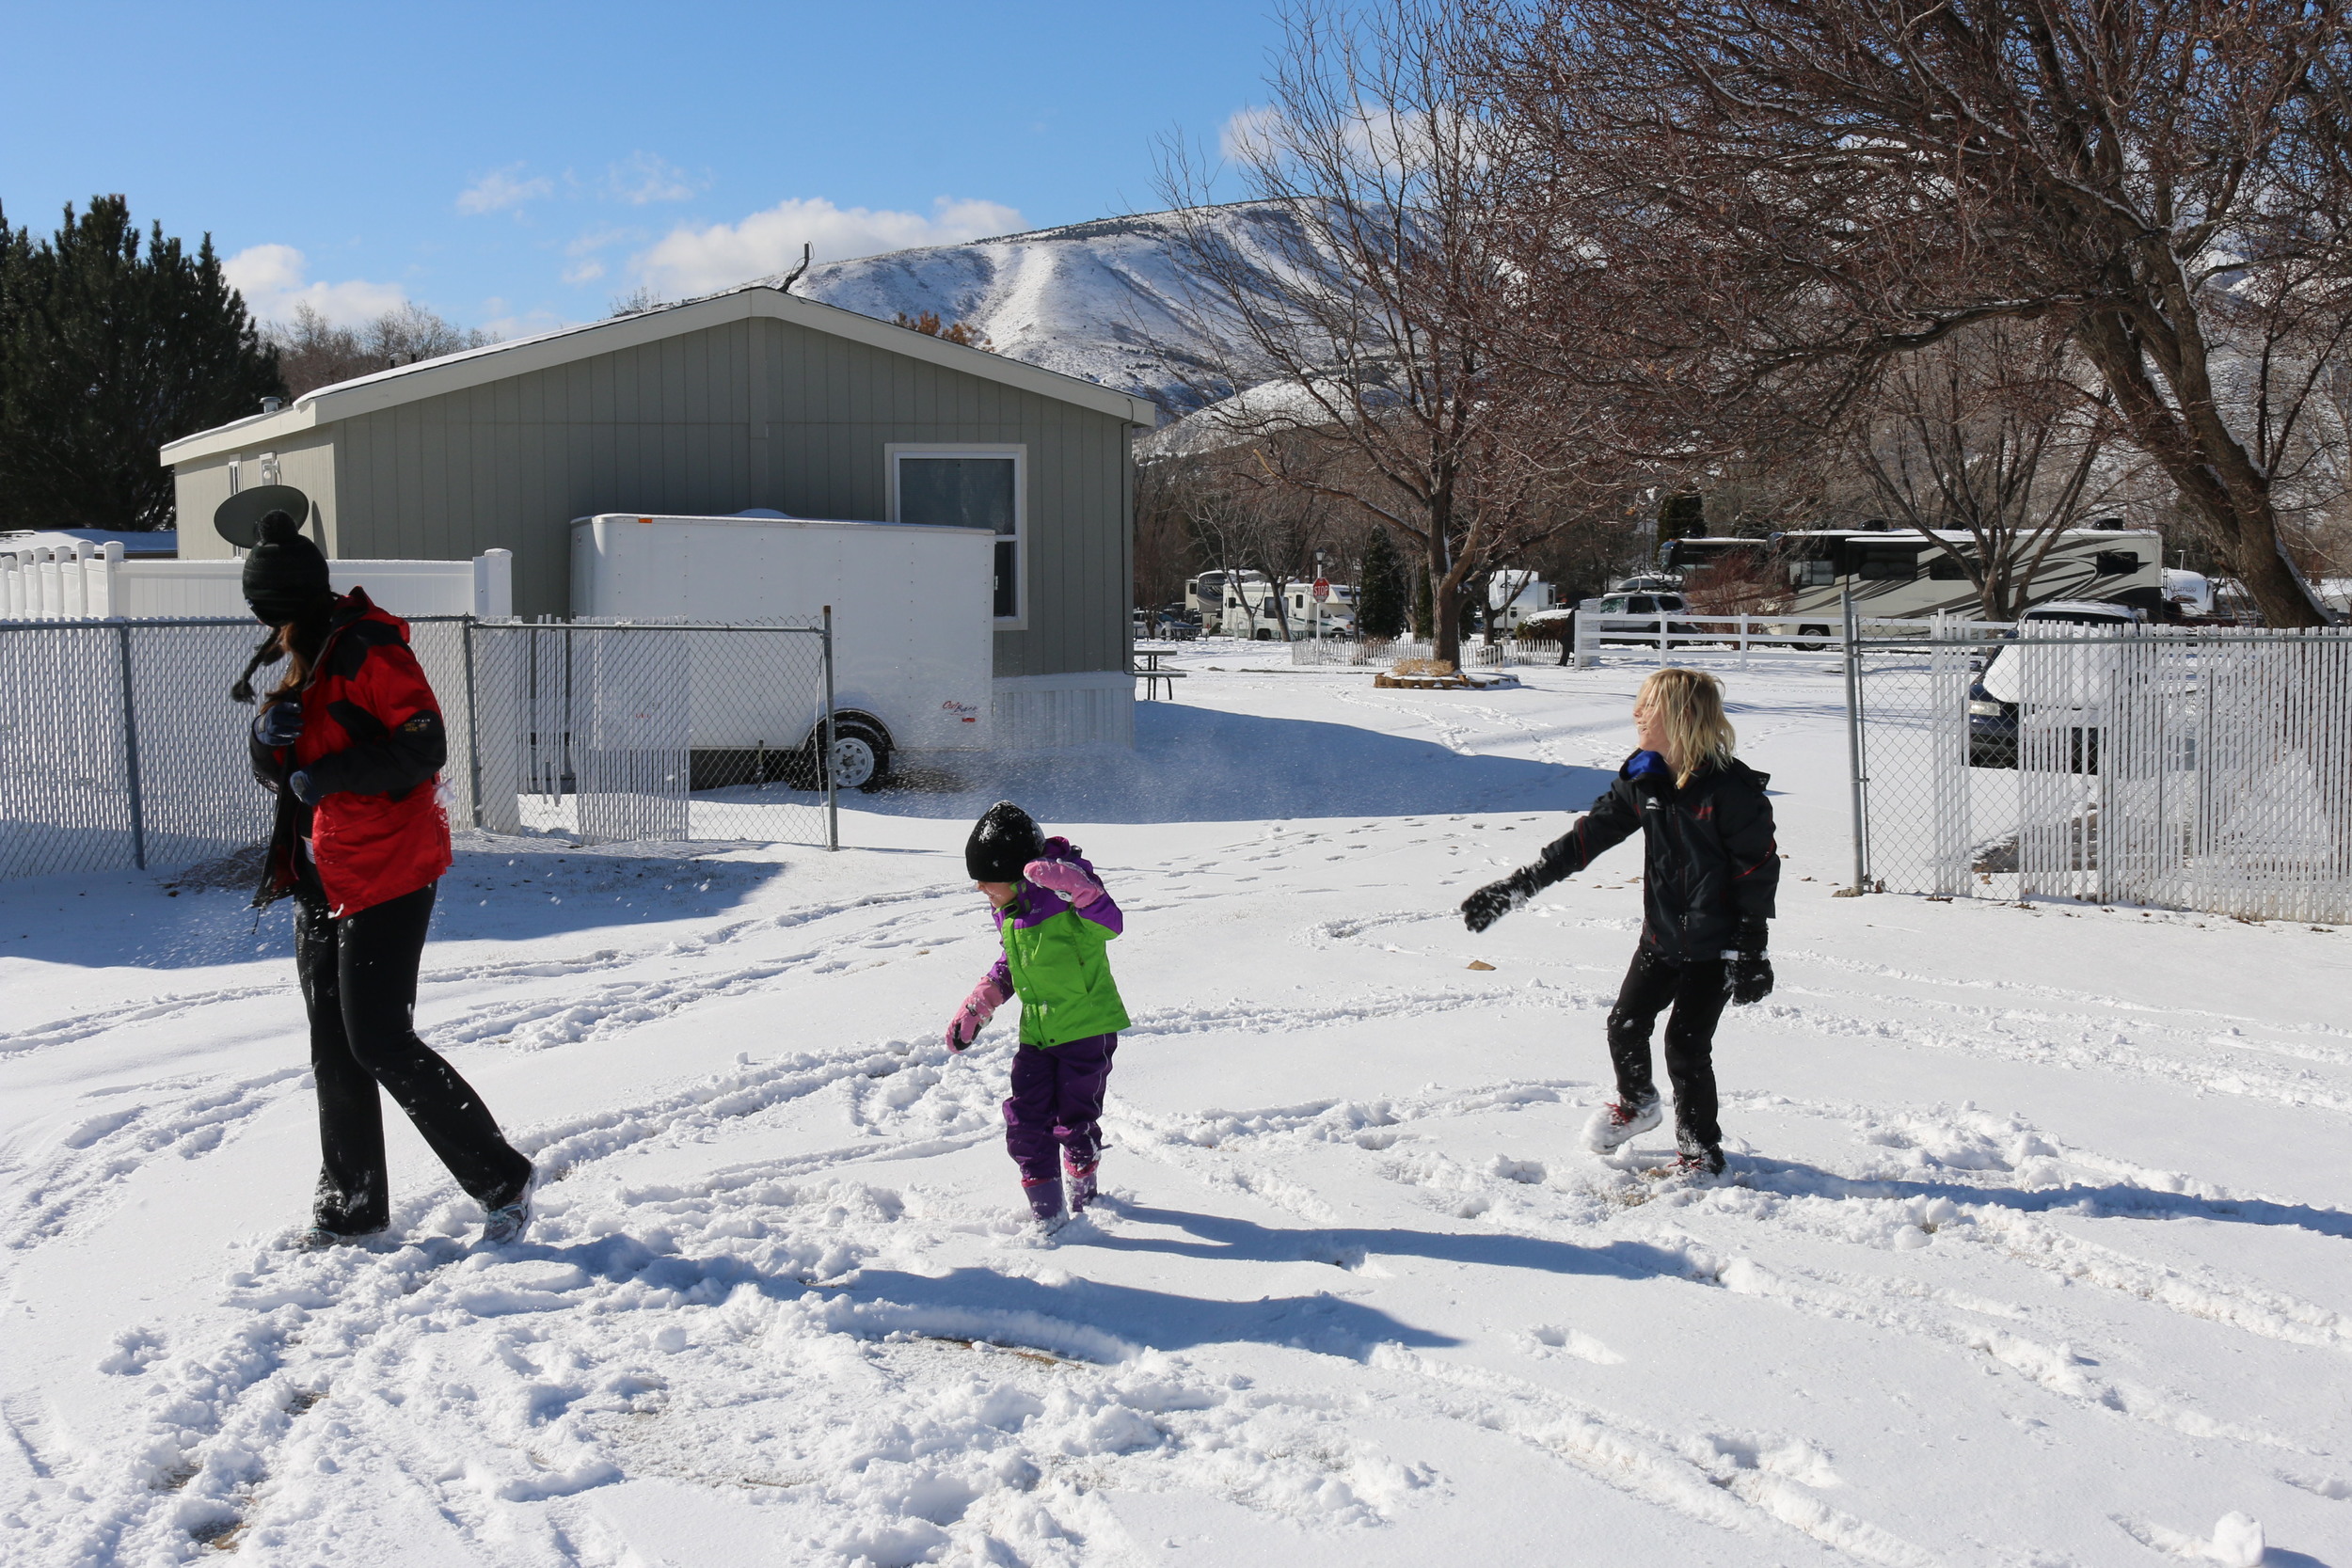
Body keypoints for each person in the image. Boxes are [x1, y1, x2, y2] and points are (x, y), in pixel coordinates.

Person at [234, 510, 535, 1247]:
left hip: (388, 870)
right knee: (333, 1046)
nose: (273, 629)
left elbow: (422, 748)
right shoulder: (305, 651)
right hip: (320, 873)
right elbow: (288, 768)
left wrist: (325, 774)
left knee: (379, 1039)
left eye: (278, 613)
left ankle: (502, 1177)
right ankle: (352, 1205)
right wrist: (264, 746)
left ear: (301, 600)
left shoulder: (370, 650)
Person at [1459, 668, 1778, 1175]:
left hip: (1717, 947)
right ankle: (1639, 1104)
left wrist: (1752, 948)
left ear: (1681, 716)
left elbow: (1757, 869)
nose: (1636, 714)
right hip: (1662, 937)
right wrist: (1519, 886)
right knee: (1624, 1026)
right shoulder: (1644, 777)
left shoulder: (1730, 792)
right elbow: (1588, 837)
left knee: (1685, 1046)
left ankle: (1701, 1155)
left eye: (1647, 706)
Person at [945, 801, 1131, 1225]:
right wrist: (980, 1003)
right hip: (1038, 1034)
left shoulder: (1069, 904)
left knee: (1073, 1124)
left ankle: (1086, 1197)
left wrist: (1083, 890)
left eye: (987, 881)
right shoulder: (1010, 914)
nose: (981, 890)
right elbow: (1013, 964)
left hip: (1086, 1029)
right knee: (1026, 1122)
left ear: (1016, 875)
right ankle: (1048, 1219)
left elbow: (1111, 925)